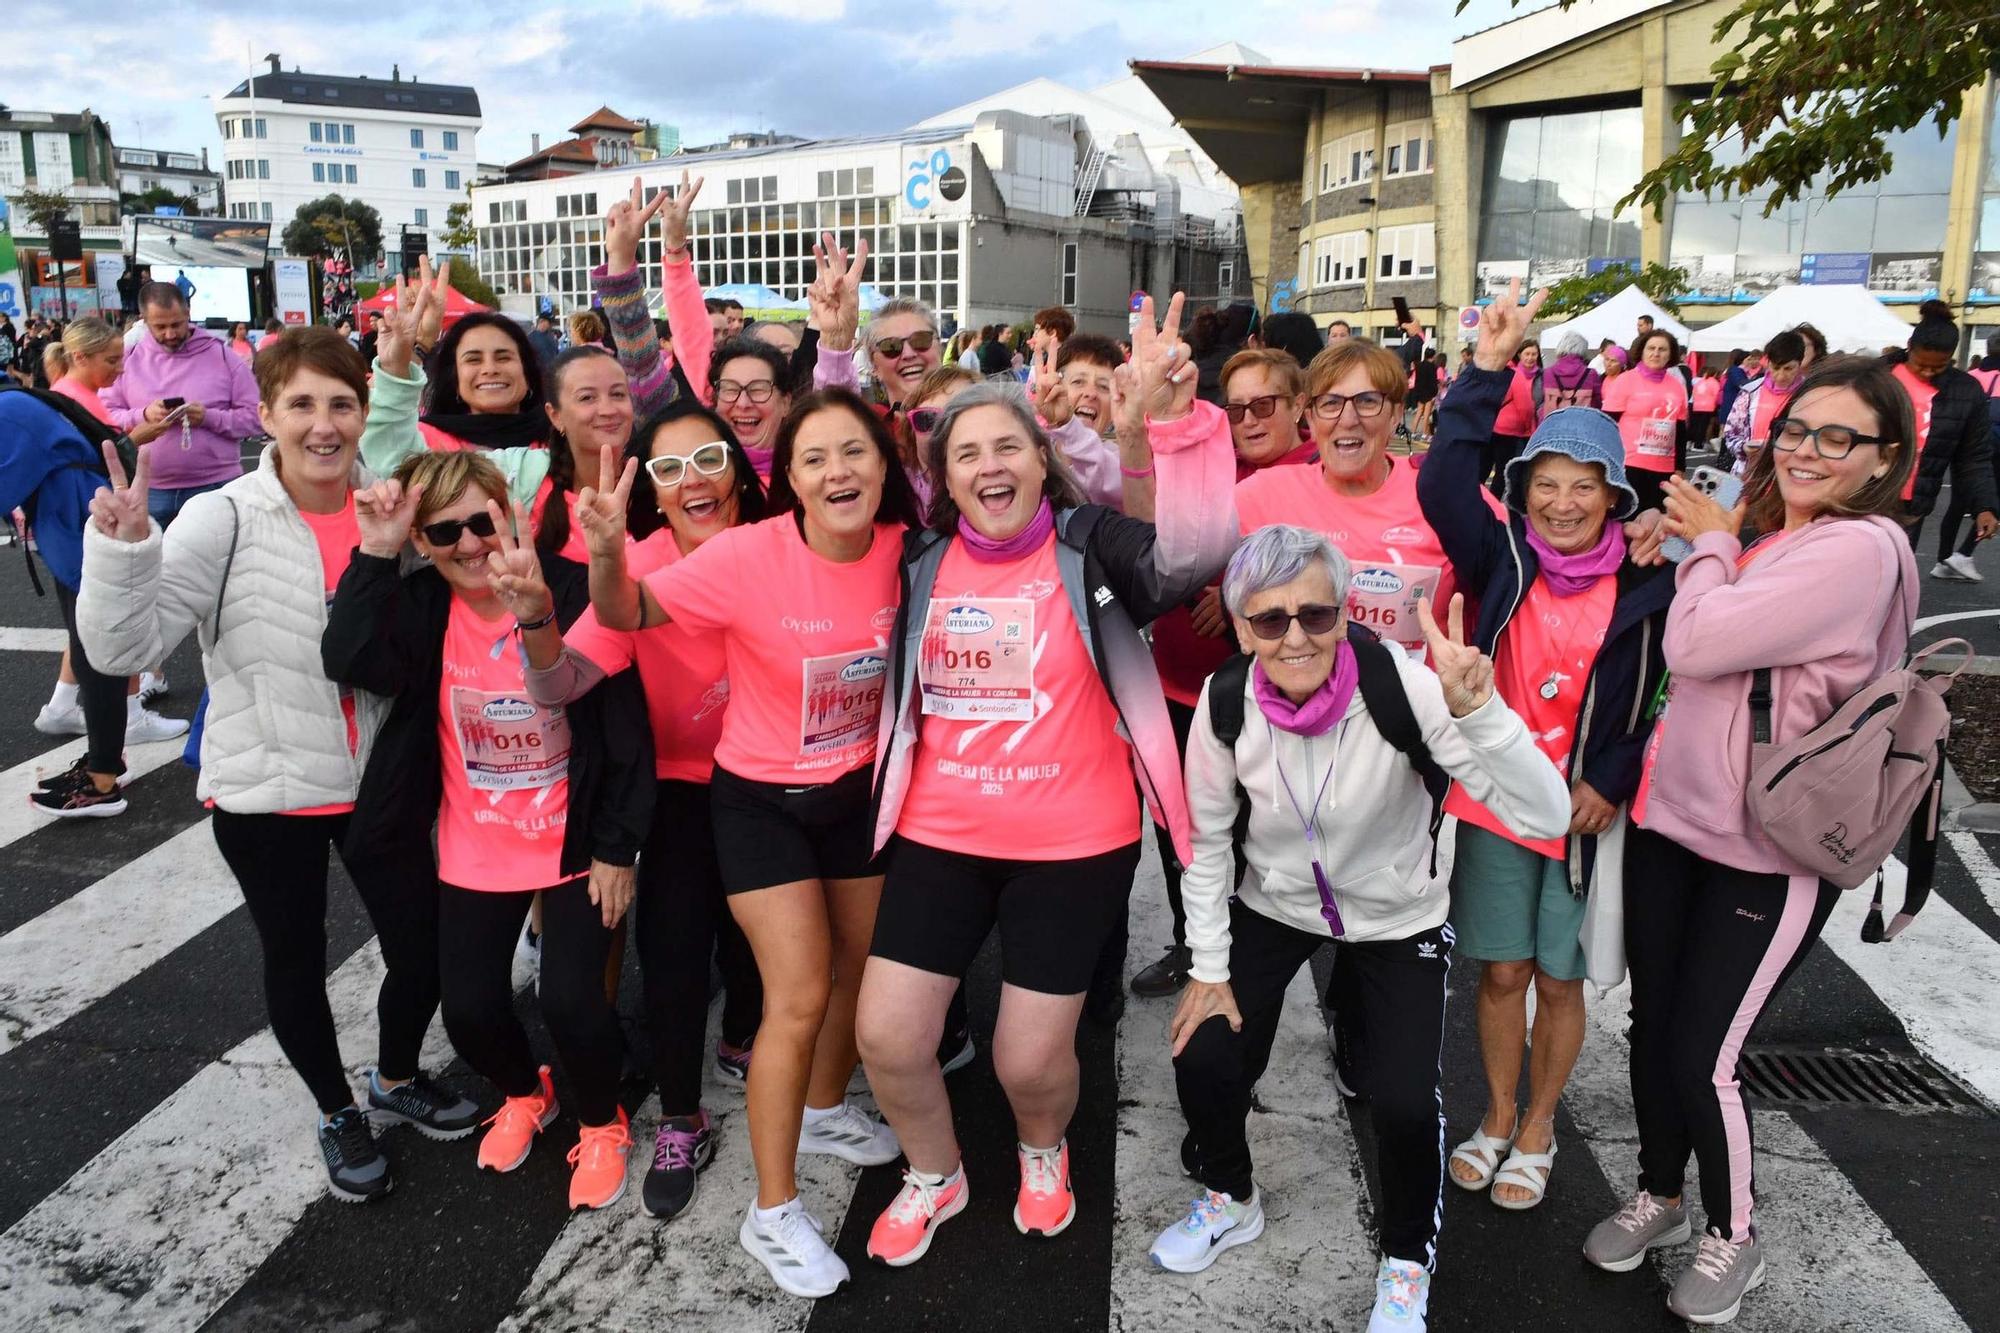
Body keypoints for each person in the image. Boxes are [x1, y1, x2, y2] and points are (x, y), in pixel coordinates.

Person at [856, 292, 1238, 1267]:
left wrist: (1175, 421)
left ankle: (1040, 1148)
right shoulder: (918, 564)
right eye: (966, 452)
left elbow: (1192, 556)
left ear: (1042, 459)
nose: (990, 465)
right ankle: (935, 1174)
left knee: (1028, 1057)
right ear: (943, 476)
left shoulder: (1089, 546)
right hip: (940, 833)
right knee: (890, 1039)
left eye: (1008, 447)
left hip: (1072, 841)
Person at [537, 359, 925, 1292]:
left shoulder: (906, 548)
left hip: (855, 792)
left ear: (882, 466)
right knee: (791, 994)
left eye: (854, 454)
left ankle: (827, 1106)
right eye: (815, 458)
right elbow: (622, 614)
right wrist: (600, 554)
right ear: (785, 476)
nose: (836, 472)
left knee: (853, 972)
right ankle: (772, 1210)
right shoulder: (746, 554)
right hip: (754, 801)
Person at [76, 319, 477, 1202]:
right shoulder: (222, 517)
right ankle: (338, 1106)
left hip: (384, 780)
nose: (323, 424)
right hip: (267, 783)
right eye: (301, 404)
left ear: (362, 410)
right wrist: (123, 551)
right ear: (265, 414)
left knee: (426, 951)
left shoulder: (395, 503)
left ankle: (397, 1076)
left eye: (341, 402)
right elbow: (123, 648)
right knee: (293, 956)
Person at [1149, 525, 1568, 1333]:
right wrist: (1208, 964)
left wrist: (1480, 711)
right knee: (1204, 1048)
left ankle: (1406, 1260)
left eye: (1316, 613)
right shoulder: (1226, 700)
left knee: (1404, 1099)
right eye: (1271, 620)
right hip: (1276, 902)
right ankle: (1231, 1196)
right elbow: (1203, 843)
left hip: (1397, 911)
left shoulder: (1405, 688)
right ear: (1241, 628)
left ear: (1344, 612)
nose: (1296, 635)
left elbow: (1545, 812)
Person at [1586, 354, 1920, 1324]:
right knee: (1654, 1030)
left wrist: (1711, 546)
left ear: (1881, 459)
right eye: (1796, 428)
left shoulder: (1857, 553)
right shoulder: (1782, 537)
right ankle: (1660, 1190)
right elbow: (1708, 610)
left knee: (1703, 1054)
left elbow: (1697, 642)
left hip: (1767, 850)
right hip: (1671, 826)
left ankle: (1734, 1235)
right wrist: (1697, 544)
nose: (1806, 450)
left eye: (1836, 436)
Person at [323, 448, 652, 1211]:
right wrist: (377, 549)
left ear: (511, 512)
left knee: (572, 1000)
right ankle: (522, 1091)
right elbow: (349, 656)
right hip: (478, 841)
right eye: (445, 533)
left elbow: (623, 730)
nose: (469, 545)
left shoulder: (571, 589)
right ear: (423, 543)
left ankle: (602, 1121)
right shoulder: (425, 604)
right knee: (469, 1007)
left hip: (573, 840)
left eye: (481, 521)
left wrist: (616, 847)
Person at [1417, 281, 1673, 1212]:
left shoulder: (1654, 581)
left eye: (1584, 486)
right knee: (1500, 971)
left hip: (1586, 807)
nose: (1563, 504)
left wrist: (1614, 771)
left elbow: (1667, 689)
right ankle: (1494, 1111)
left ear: (1616, 494)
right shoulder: (1505, 557)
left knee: (1560, 979)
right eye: (1545, 484)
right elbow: (1443, 479)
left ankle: (1540, 1122)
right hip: (1496, 797)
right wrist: (1487, 369)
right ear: (1522, 490)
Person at [526, 399, 769, 1217]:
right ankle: (680, 1114)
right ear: (652, 494)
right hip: (673, 787)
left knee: (757, 943)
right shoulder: (630, 562)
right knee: (671, 953)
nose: (691, 480)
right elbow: (562, 683)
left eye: (707, 458)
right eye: (668, 469)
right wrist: (537, 618)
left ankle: (742, 1035)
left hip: (773, 784)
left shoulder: (785, 542)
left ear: (738, 465)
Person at [1131, 345, 1316, 998]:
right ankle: (1192, 942)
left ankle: (1254, 959)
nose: (1249, 419)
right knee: (1179, 824)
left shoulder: (1316, 470)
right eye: (1236, 407)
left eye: (1265, 404)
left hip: (1275, 699)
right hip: (1180, 685)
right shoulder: (1212, 463)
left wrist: (1240, 589)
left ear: (1299, 406)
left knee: (1261, 830)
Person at [36, 317, 186, 748]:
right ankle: (130, 713)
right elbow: (95, 458)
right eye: (111, 360)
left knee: (88, 618)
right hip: (89, 521)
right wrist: (140, 435)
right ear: (79, 357)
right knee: (120, 610)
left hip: (76, 521)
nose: (120, 369)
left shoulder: (73, 394)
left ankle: (64, 704)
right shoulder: (72, 400)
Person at [100, 281, 258, 530]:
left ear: (188, 313)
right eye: (160, 327)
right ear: (144, 320)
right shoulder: (129, 360)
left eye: (176, 324)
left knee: (218, 567)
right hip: (149, 489)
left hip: (216, 486)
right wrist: (142, 415)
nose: (170, 334)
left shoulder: (223, 356)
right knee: (151, 567)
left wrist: (208, 417)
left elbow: (254, 418)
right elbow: (105, 416)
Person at [1891, 301, 2000, 575]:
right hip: (1858, 497)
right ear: (1909, 348)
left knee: (1895, 578)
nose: (1927, 372)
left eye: (1937, 367)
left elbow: (1974, 457)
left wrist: (1984, 507)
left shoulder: (1965, 391)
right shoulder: (1877, 377)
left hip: (1912, 506)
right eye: (1920, 365)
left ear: (1951, 358)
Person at [1601, 329, 1688, 511]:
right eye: (1651, 348)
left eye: (1662, 349)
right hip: (1629, 465)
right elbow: (1607, 424)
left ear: (1671, 354)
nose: (1656, 353)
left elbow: (1680, 430)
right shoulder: (1626, 380)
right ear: (1642, 351)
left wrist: (1680, 467)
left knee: (1655, 525)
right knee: (1626, 521)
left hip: (1664, 468)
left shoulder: (1677, 386)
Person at [1719, 331, 1805, 471]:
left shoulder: (1809, 394)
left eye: (1788, 368)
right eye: (1775, 368)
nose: (1781, 375)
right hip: (1749, 472)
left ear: (1800, 364)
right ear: (1768, 363)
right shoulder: (1750, 391)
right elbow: (1731, 432)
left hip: (1791, 473)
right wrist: (1743, 447)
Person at [1542, 332, 1603, 414]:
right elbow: (1597, 403)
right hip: (1582, 422)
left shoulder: (1547, 373)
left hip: (1553, 423)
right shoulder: (1591, 374)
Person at [1689, 365, 1721, 446]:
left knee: (1695, 425)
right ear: (1714, 374)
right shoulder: (1714, 382)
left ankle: (1691, 442)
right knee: (1703, 426)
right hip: (1708, 407)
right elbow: (1717, 395)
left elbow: (1694, 392)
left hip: (1696, 406)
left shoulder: (1700, 382)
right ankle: (1698, 445)